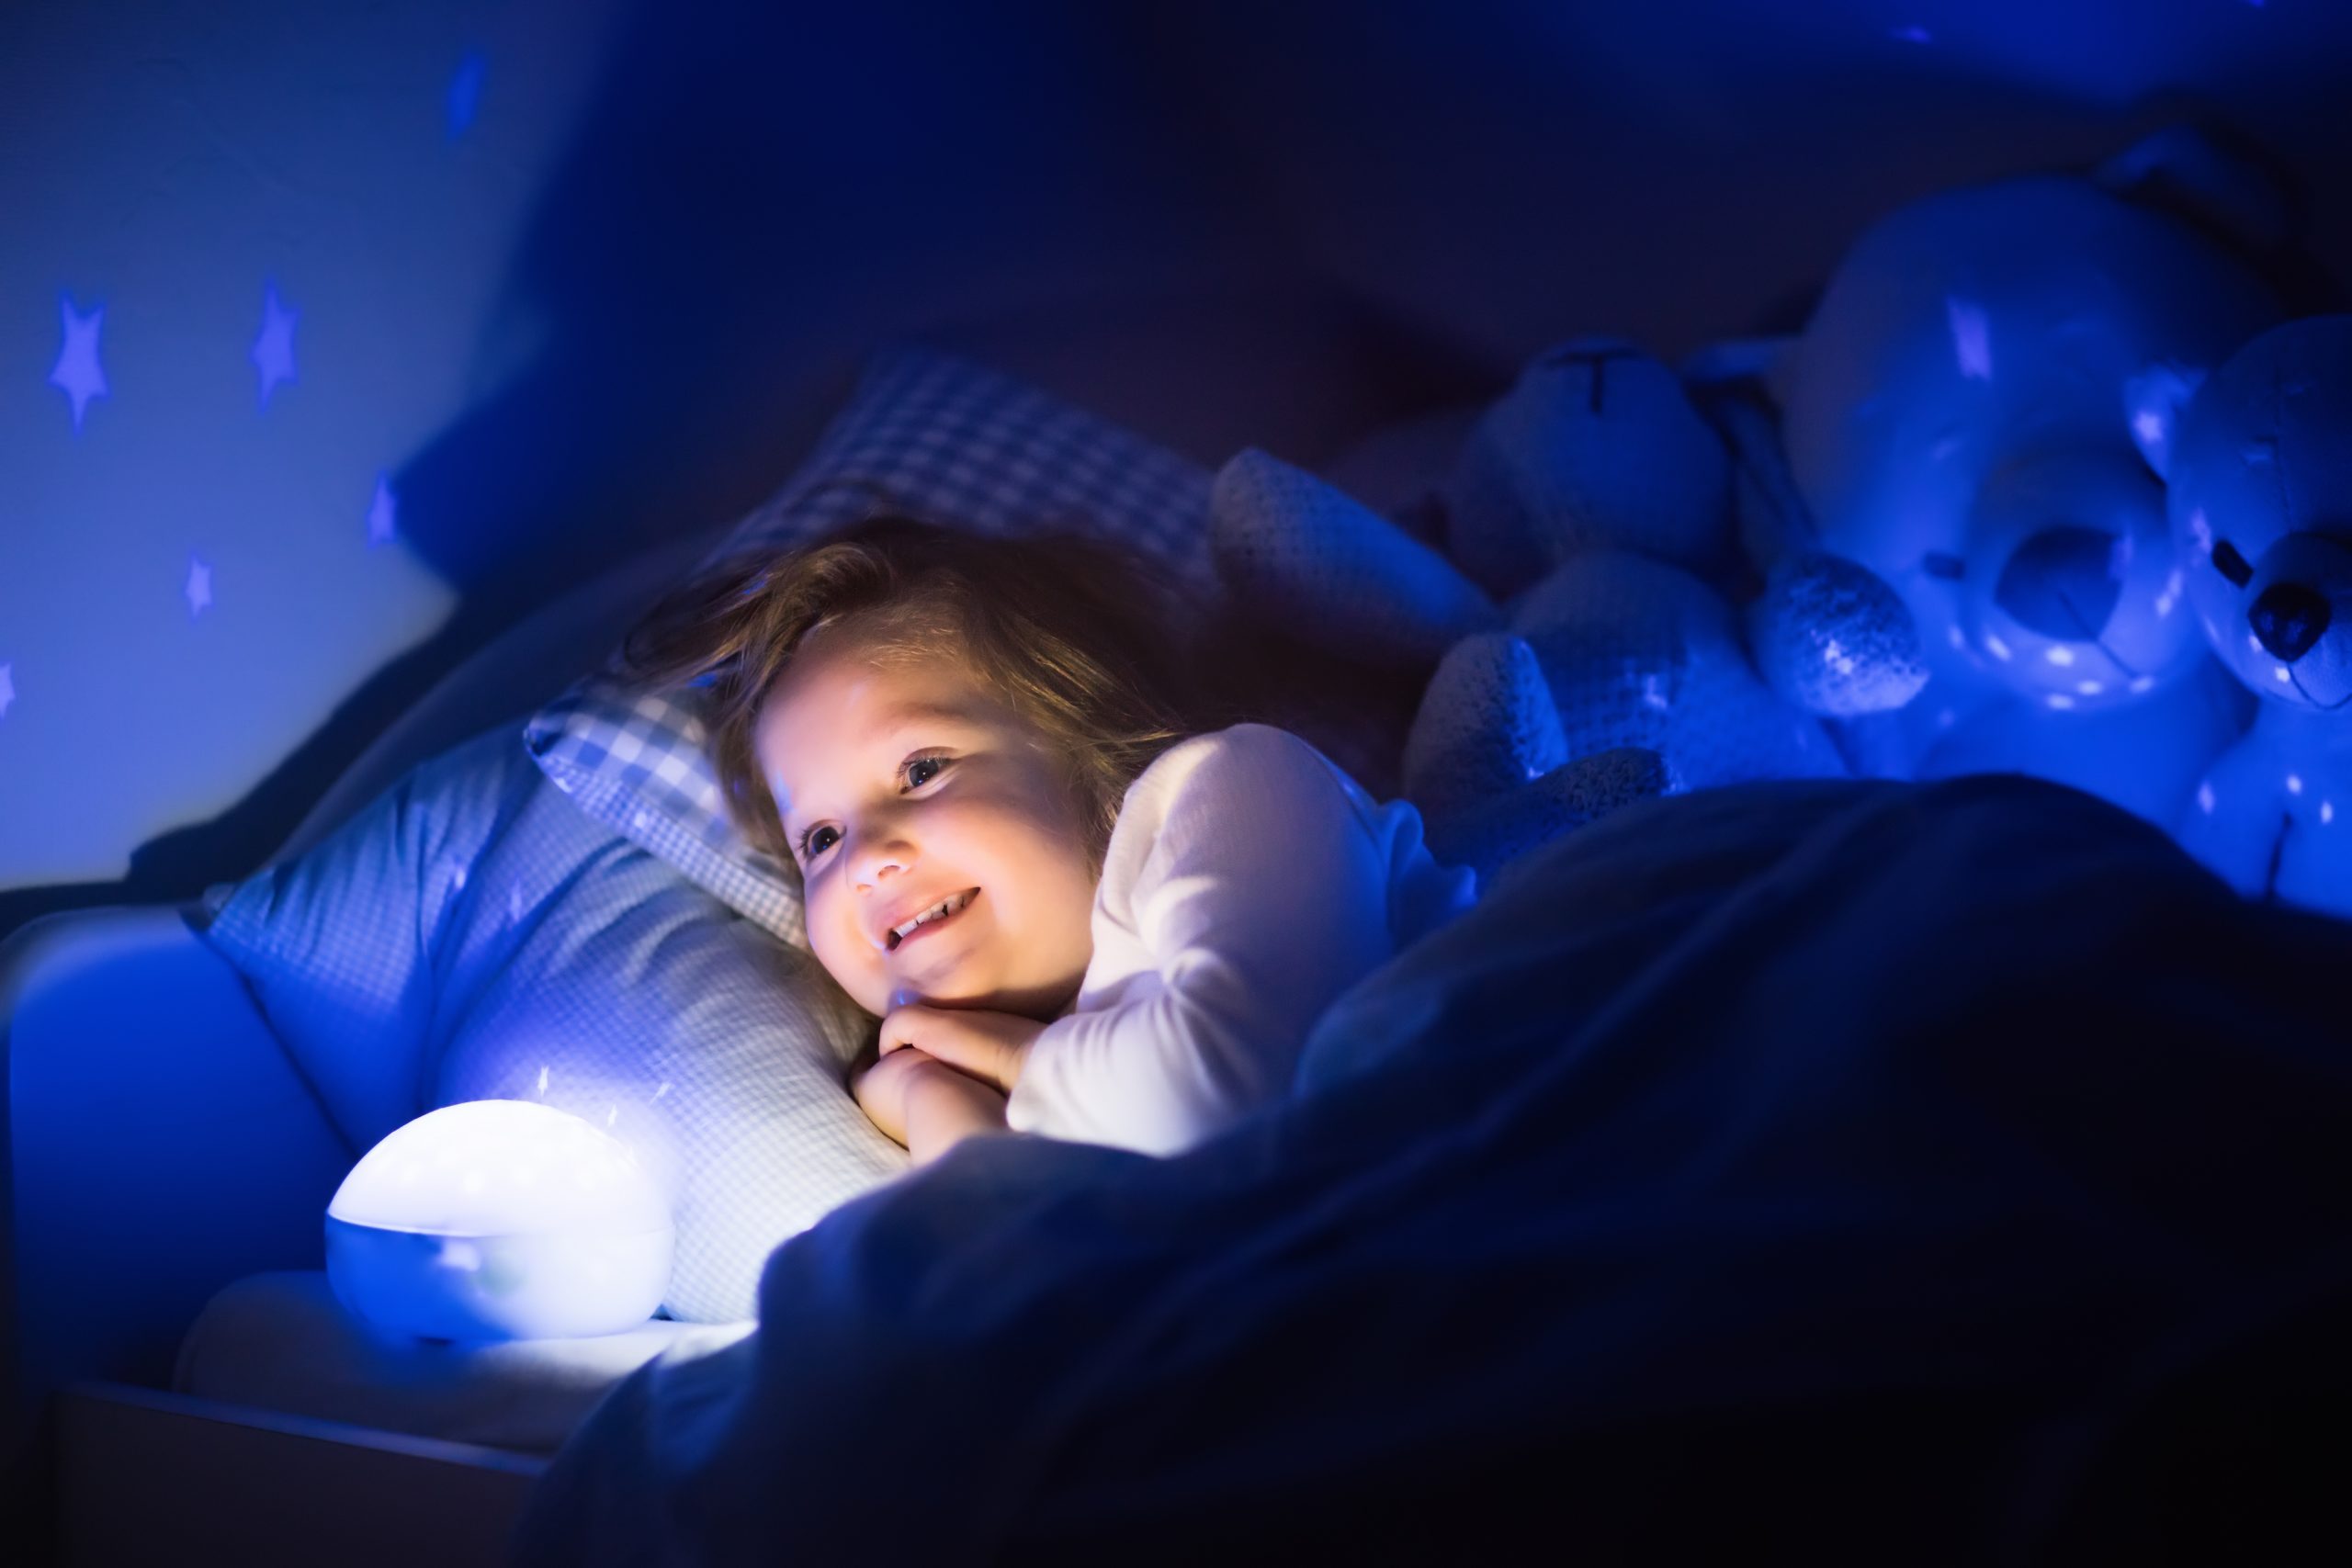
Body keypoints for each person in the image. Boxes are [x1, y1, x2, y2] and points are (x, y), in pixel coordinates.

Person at [624, 515, 1476, 1163]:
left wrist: (1002, 1058)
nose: (864, 859)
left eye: (921, 769)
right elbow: (1013, 1271)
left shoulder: (1238, 785)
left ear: (1084, 735)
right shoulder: (995, 1073)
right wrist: (931, 1096)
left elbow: (1235, 1093)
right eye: (817, 836)